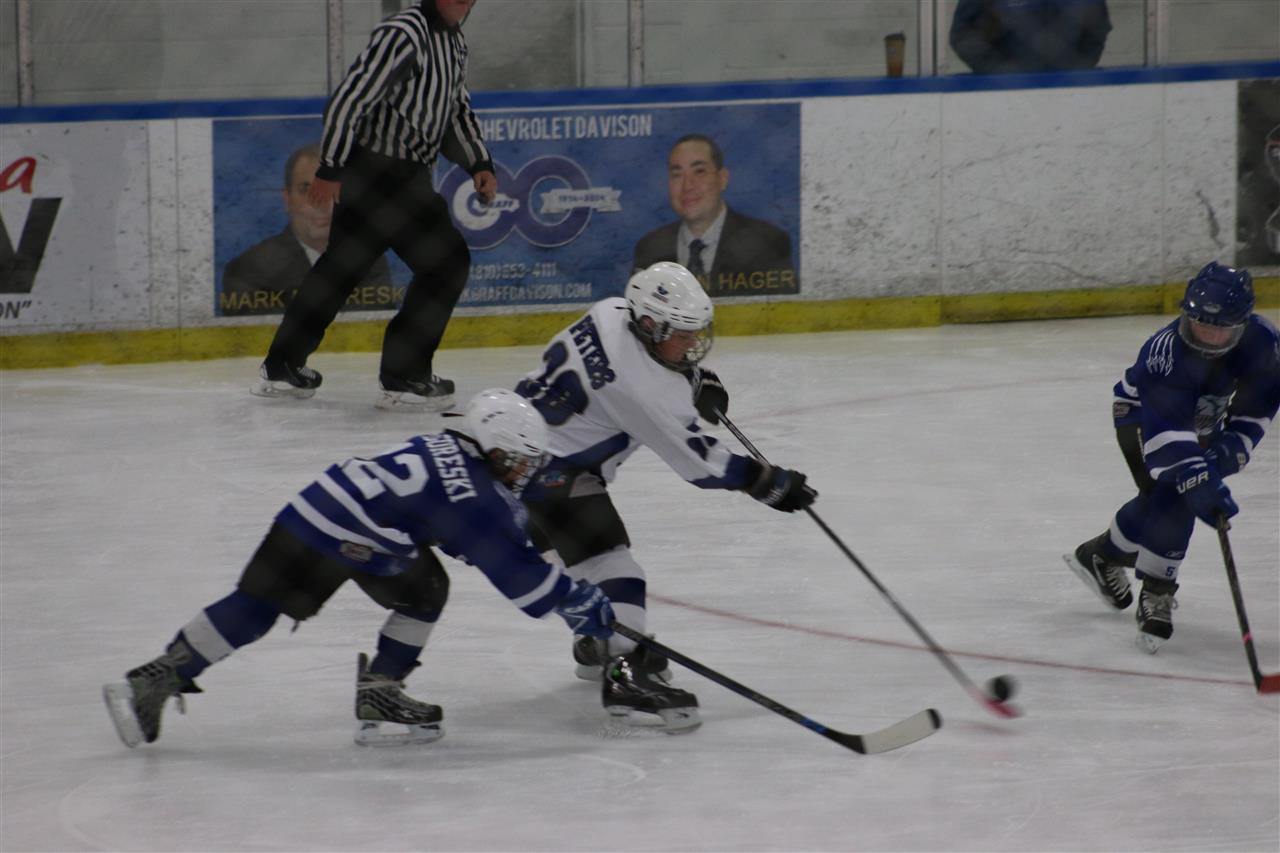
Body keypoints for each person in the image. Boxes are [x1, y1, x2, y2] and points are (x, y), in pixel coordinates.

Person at [102, 389, 620, 748]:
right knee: (424, 591)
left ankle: (159, 674)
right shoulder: (478, 496)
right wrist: (577, 600)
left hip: (313, 506)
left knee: (255, 607)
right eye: (520, 460)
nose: (525, 472)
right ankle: (381, 690)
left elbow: (445, 519)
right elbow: (521, 583)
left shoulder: (447, 446)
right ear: (495, 449)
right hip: (350, 536)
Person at [514, 261, 818, 732]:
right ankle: (625, 673)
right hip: (555, 475)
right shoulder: (642, 390)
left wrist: (694, 380)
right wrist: (769, 483)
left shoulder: (609, 311)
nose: (693, 344)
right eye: (683, 334)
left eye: (697, 332)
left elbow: (645, 368)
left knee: (565, 565)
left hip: (513, 453)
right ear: (649, 324)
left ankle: (599, 640)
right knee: (615, 569)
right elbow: (700, 465)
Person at [252, 0, 496, 411]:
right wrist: (331, 166)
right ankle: (403, 376)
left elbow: (455, 111)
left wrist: (478, 162)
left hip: (398, 176)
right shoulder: (404, 33)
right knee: (445, 263)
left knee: (340, 269)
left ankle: (282, 366)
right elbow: (350, 100)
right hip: (381, 173)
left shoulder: (454, 44)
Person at [1063, 262, 1280, 653]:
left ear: (1243, 324)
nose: (1206, 334)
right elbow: (1167, 437)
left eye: (1219, 327)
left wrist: (1234, 446)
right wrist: (1196, 477)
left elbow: (1257, 406)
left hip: (1199, 422)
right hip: (1140, 416)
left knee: (1164, 497)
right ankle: (1157, 590)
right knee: (1176, 492)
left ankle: (1100, 555)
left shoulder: (1264, 343)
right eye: (1199, 323)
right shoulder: (1165, 353)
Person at [220, 143, 393, 317]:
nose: (322, 204)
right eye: (307, 190)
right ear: (287, 200)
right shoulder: (248, 269)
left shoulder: (370, 263)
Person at [632, 134, 797, 298]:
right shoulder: (650, 248)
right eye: (677, 175)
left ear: (722, 178)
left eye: (699, 171)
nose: (687, 186)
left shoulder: (766, 243)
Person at [950, 0, 1111, 74]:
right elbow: (961, 34)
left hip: (1071, 91)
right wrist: (999, 70)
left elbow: (1098, 28)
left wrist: (1077, 71)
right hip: (1004, 94)